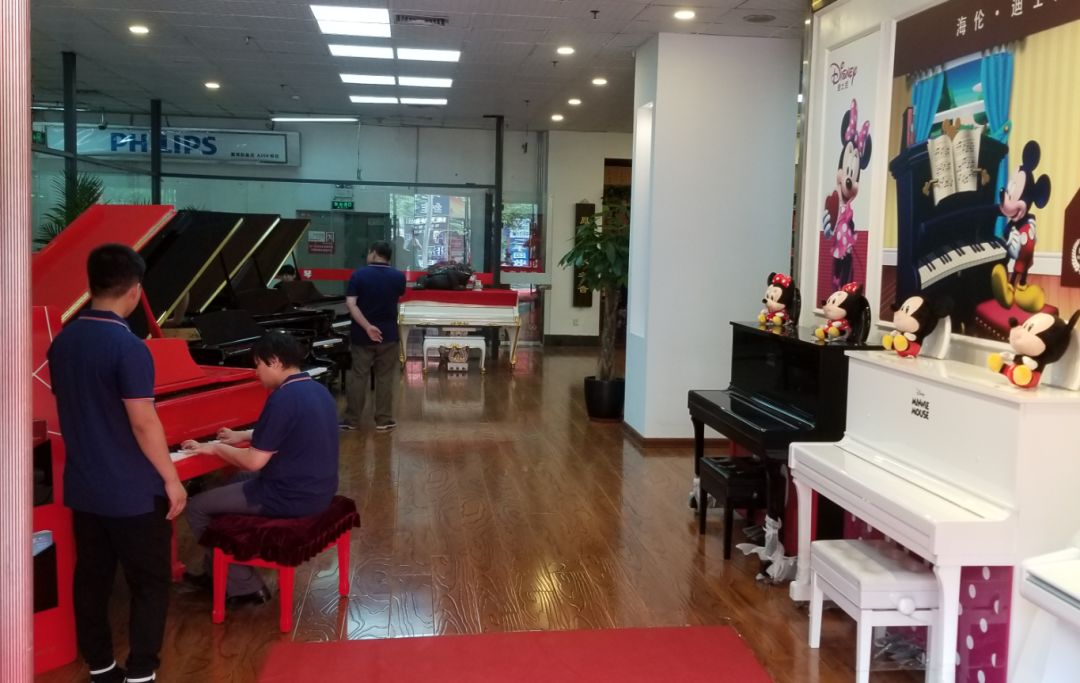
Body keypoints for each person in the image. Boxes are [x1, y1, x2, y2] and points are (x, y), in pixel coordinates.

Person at [48, 244, 187, 683]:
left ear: (91, 285)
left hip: (84, 488)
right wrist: (172, 479)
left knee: (92, 580)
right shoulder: (128, 347)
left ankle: (101, 667)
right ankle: (141, 673)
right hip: (132, 494)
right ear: (134, 290)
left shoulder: (62, 343)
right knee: (150, 582)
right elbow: (144, 423)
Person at [180, 332, 339, 601]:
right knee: (230, 480)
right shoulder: (316, 389)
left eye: (258, 365)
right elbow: (291, 430)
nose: (256, 373)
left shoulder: (282, 398)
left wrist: (214, 448)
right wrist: (241, 436)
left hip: (288, 495)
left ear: (274, 361)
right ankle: (217, 571)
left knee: (196, 506)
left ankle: (246, 587)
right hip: (320, 488)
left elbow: (255, 461)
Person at [340, 240, 406, 432]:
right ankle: (383, 420)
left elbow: (351, 304)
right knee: (385, 377)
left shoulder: (359, 275)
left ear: (374, 253)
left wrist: (368, 327)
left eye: (369, 252)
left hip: (362, 335)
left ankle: (352, 420)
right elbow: (396, 297)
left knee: (358, 376)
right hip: (389, 335)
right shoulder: (398, 277)